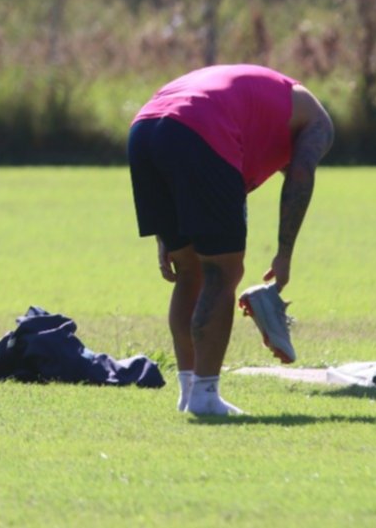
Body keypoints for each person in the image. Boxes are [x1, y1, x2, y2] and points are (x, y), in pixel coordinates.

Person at [128, 64, 334, 416]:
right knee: (221, 273)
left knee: (190, 269)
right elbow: (300, 174)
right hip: (199, 127)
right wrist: (284, 254)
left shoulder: (263, 110)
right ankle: (206, 397)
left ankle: (189, 391)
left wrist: (168, 232)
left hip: (145, 129)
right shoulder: (318, 122)